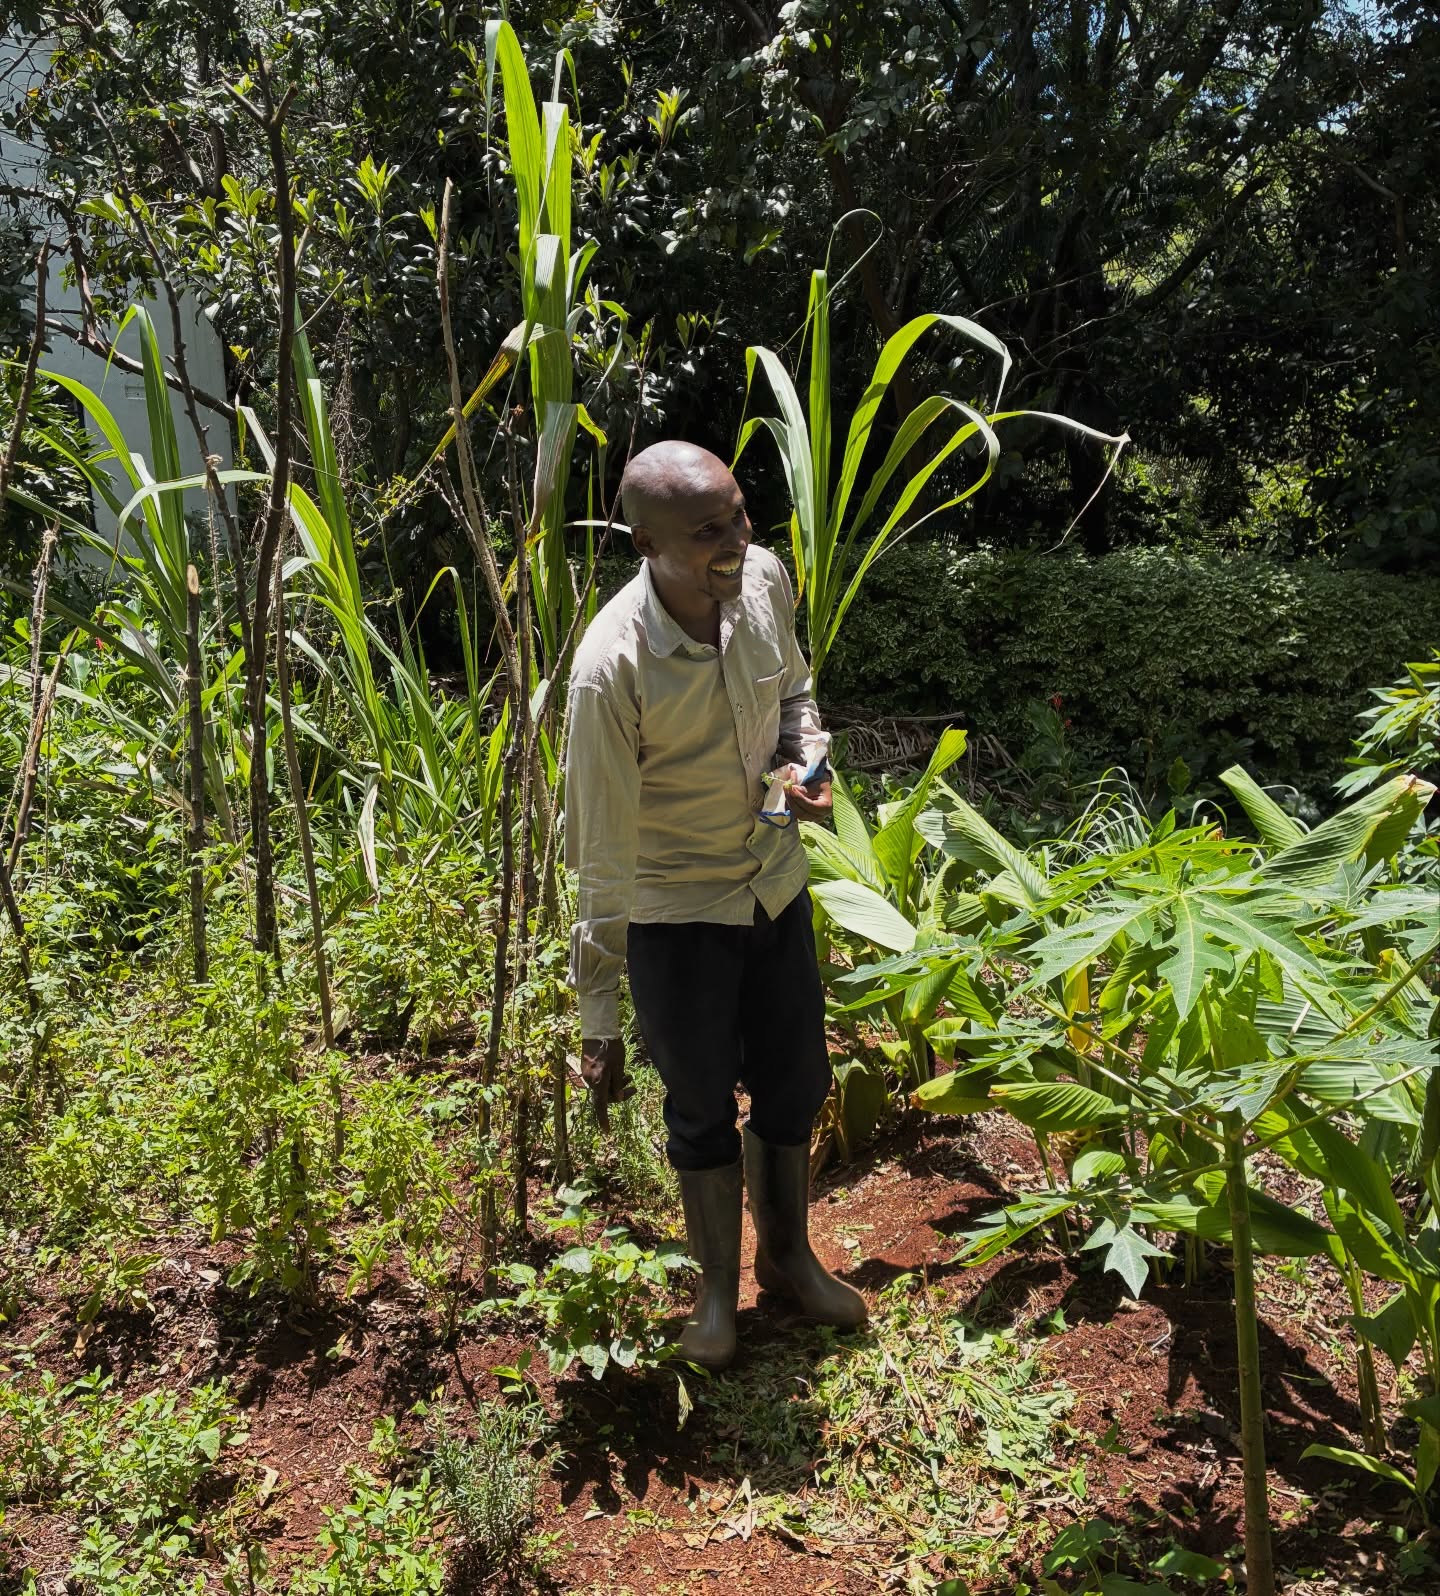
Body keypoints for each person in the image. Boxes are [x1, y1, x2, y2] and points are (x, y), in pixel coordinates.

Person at [564, 440, 868, 1369]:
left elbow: (797, 699)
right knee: (698, 1104)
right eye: (706, 531)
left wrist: (804, 770)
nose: (735, 539)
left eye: (738, 514)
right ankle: (714, 1295)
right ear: (643, 541)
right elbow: (601, 859)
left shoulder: (765, 581)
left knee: (795, 1082)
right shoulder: (609, 670)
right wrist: (596, 1014)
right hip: (677, 912)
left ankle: (788, 1259)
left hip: (772, 884)